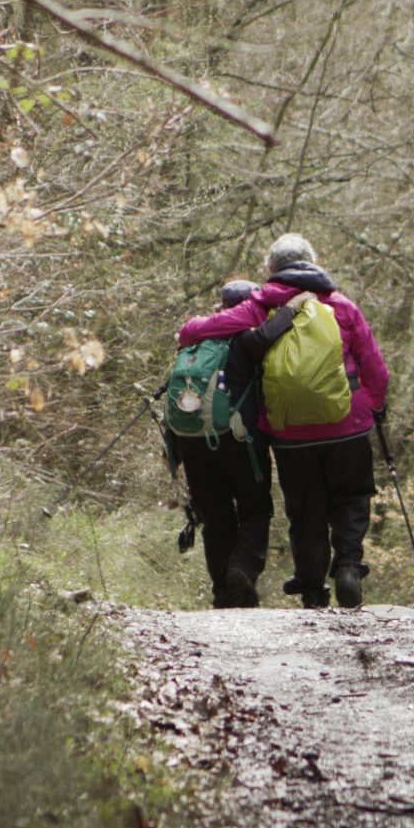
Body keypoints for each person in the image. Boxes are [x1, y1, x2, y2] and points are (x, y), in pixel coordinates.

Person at [177, 234, 389, 608]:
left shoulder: (261, 307)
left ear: (272, 270)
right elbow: (374, 367)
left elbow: (190, 333)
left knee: (305, 506)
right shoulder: (341, 306)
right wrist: (375, 406)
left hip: (289, 430)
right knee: (352, 496)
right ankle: (349, 567)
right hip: (349, 422)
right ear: (314, 262)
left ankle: (311, 587)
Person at [168, 279, 290, 608]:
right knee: (255, 509)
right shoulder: (249, 340)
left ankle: (223, 593)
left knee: (216, 517)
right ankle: (242, 569)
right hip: (240, 440)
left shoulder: (194, 342)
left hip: (192, 442)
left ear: (221, 305)